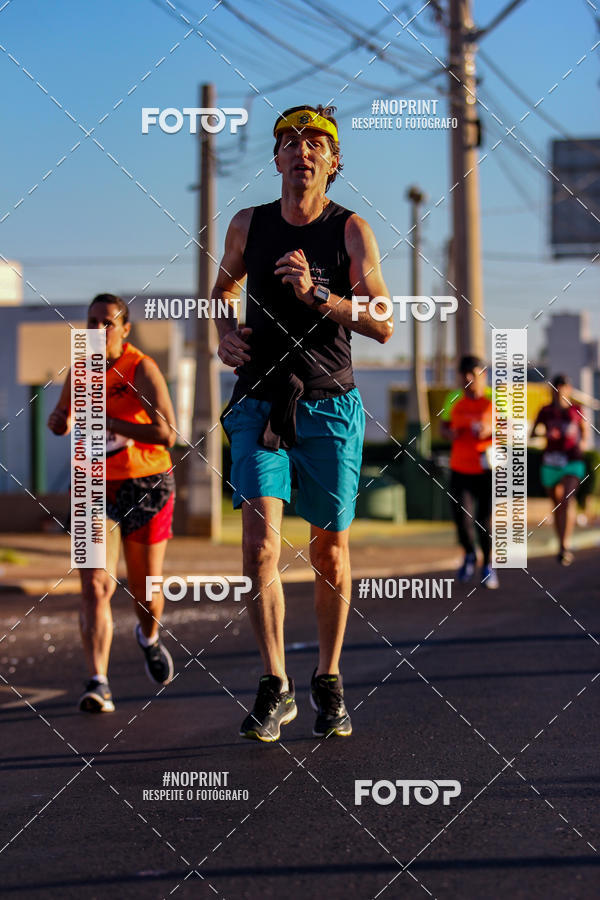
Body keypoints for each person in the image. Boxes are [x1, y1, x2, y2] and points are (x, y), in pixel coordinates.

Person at [212, 104, 392, 741]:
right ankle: (273, 683)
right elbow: (221, 291)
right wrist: (223, 335)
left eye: (316, 143)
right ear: (277, 159)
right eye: (289, 142)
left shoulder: (351, 233)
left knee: (330, 552)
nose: (301, 152)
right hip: (259, 401)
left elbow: (382, 321)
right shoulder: (248, 225)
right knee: (261, 545)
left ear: (333, 161)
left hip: (329, 404)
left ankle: (329, 677)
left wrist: (318, 293)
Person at [47, 294, 178, 712]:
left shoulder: (141, 368)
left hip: (146, 482)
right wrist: (59, 422)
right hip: (92, 485)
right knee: (96, 585)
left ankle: (149, 636)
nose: (96, 330)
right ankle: (97, 681)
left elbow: (167, 433)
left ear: (124, 329)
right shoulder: (80, 369)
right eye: (90, 321)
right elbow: (64, 417)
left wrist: (111, 422)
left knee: (144, 593)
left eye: (106, 322)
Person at [441, 355, 498, 589]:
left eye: (472, 374)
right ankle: (469, 555)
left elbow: (514, 427)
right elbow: (444, 426)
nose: (467, 379)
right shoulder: (453, 398)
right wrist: (450, 434)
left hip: (486, 468)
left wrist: (491, 429)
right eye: (463, 374)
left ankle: (488, 565)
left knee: (484, 520)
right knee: (463, 519)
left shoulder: (495, 399)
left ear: (482, 375)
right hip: (460, 467)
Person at [531, 374, 587, 565]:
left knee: (567, 499)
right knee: (557, 505)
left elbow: (584, 432)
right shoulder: (545, 411)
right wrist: (544, 432)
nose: (560, 391)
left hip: (572, 460)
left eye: (563, 387)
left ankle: (565, 544)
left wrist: (583, 443)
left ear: (569, 389)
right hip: (551, 462)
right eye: (557, 387)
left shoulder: (576, 410)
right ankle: (560, 543)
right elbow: (533, 432)